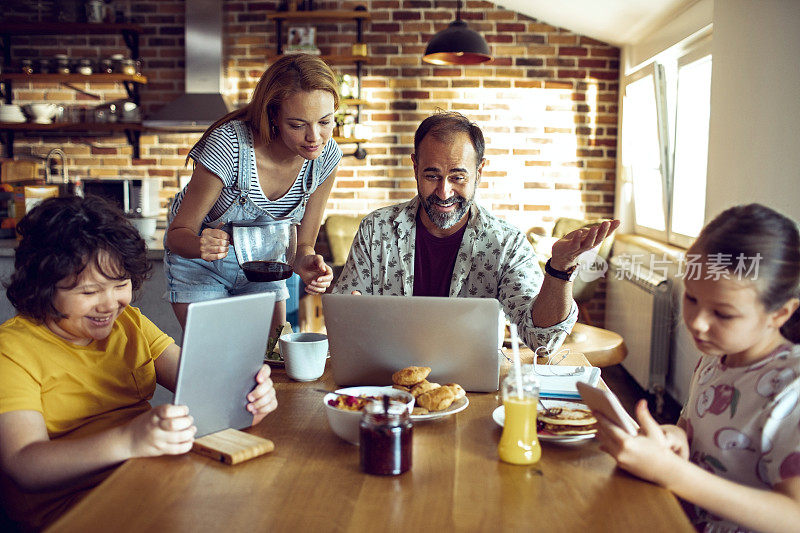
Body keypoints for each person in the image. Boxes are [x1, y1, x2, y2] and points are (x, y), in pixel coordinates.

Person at [0, 196, 278, 531]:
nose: (109, 305)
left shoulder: (129, 323)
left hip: (148, 478)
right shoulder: (12, 349)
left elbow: (203, 383)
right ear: (42, 287)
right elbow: (24, 464)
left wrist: (248, 395)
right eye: (89, 292)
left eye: (121, 285)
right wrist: (128, 440)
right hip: (71, 510)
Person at [333, 110, 619, 350]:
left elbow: (542, 339)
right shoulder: (376, 230)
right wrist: (350, 315)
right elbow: (343, 320)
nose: (444, 192)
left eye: (458, 177)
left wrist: (560, 268)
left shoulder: (507, 243)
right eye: (432, 175)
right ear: (415, 167)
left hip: (473, 392)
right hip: (386, 387)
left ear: (479, 172)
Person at [593, 203, 800, 532]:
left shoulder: (792, 387)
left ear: (780, 313)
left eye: (723, 314)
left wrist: (671, 472)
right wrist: (674, 436)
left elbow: (793, 517)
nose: (698, 324)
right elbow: (695, 434)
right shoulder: (716, 358)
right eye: (691, 299)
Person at [165, 54, 340, 335]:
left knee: (273, 360)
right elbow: (178, 234)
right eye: (297, 125)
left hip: (267, 267)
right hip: (202, 268)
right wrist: (201, 245)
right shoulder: (229, 145)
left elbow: (303, 245)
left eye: (325, 121)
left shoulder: (326, 157)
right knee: (219, 364)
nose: (314, 137)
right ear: (273, 116)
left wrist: (307, 262)